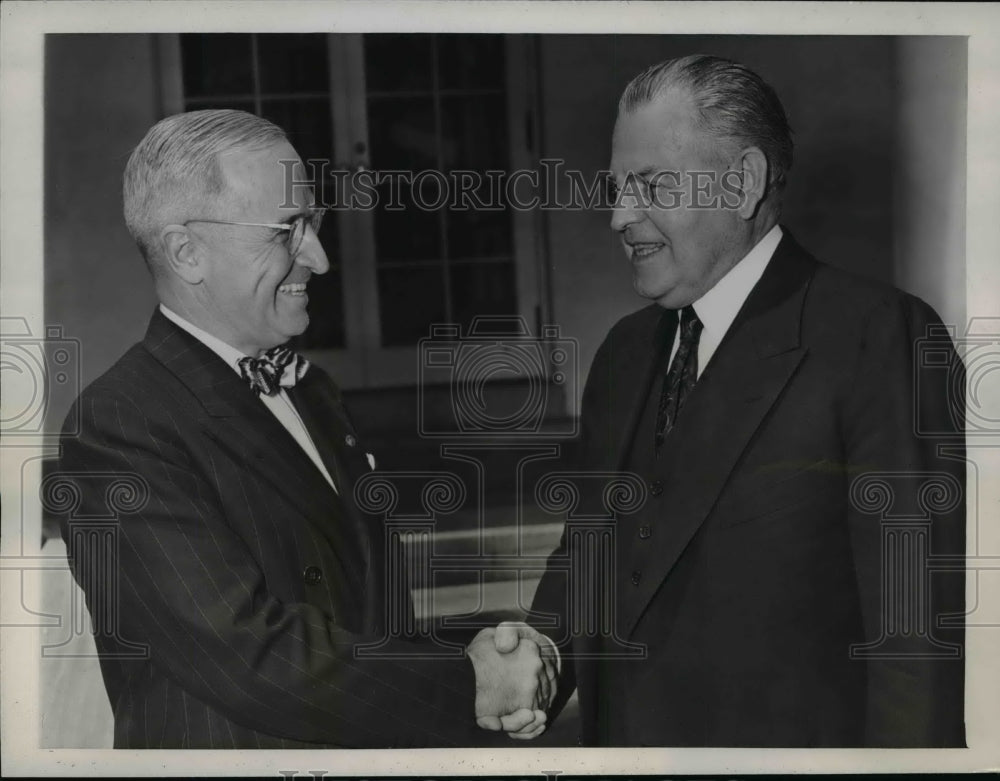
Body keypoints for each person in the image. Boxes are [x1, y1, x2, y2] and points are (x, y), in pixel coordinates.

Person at [503, 54, 966, 746]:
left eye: (650, 185)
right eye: (615, 186)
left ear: (742, 182)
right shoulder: (622, 353)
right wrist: (541, 654)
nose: (619, 215)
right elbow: (592, 558)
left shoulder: (880, 338)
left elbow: (912, 649)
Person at [56, 109, 554, 748]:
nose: (317, 257)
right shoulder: (118, 425)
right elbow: (249, 656)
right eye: (286, 230)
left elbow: (360, 622)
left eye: (313, 224)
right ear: (187, 252)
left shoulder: (313, 391)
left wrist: (485, 648)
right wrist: (471, 685)